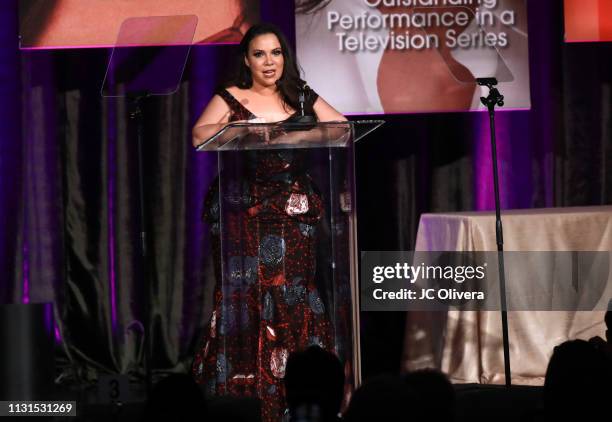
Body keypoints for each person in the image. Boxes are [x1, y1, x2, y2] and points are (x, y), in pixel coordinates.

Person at [191, 22, 346, 422]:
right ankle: (247, 392)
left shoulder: (300, 96)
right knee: (247, 297)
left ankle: (300, 390)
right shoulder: (232, 96)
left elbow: (341, 127)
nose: (269, 62)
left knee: (293, 295)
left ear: (285, 57)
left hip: (292, 213)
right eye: (259, 54)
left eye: (275, 53)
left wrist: (290, 137)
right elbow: (200, 135)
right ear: (247, 59)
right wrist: (246, 133)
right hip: (243, 214)